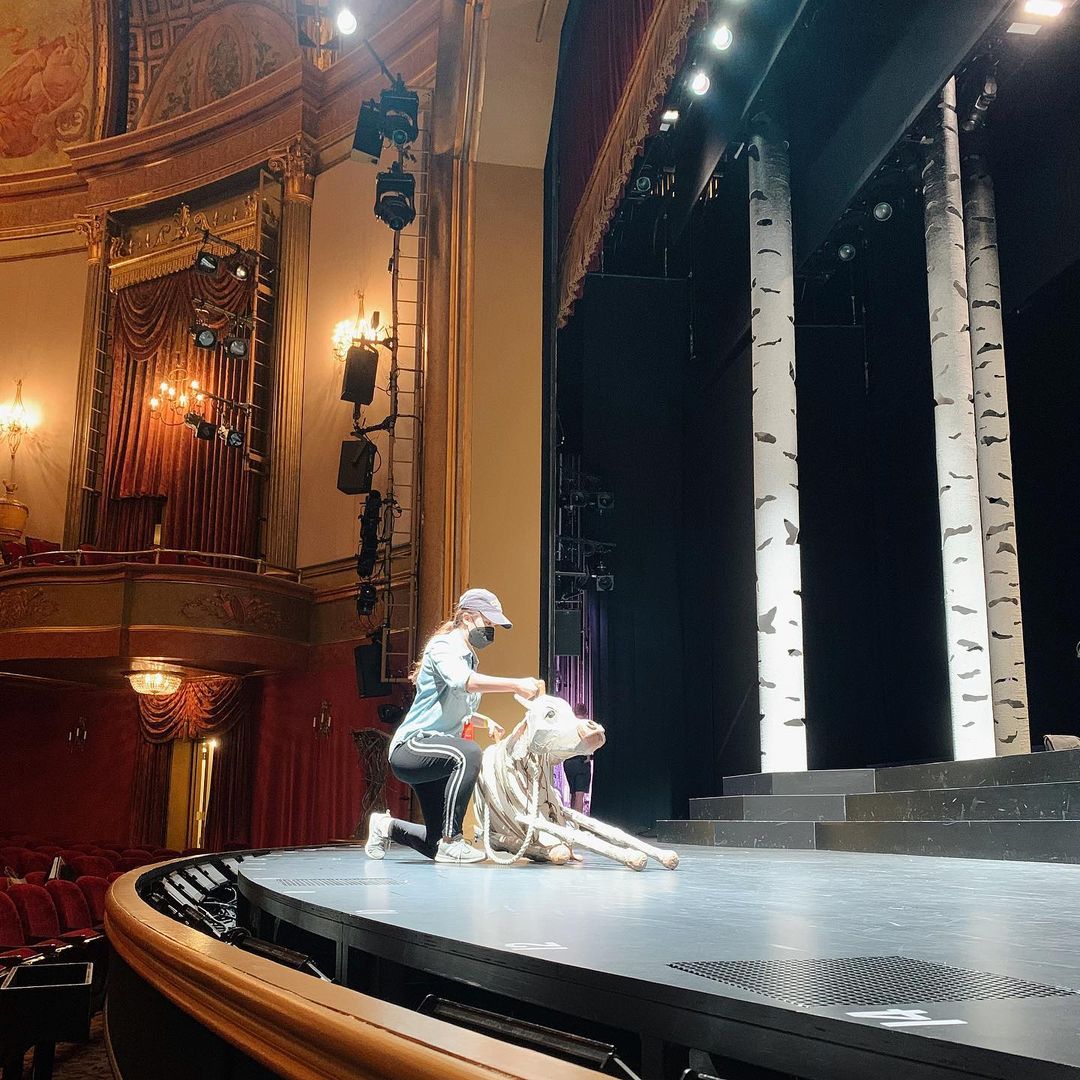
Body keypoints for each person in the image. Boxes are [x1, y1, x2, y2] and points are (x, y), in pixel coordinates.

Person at [364, 588, 542, 864]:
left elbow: (459, 705)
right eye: (488, 622)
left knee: (432, 844)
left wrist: (484, 720)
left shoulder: (469, 657)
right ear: (468, 618)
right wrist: (516, 684)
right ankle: (453, 840)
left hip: (439, 752)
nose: (491, 630)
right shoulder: (444, 646)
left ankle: (385, 827)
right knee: (469, 753)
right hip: (412, 746)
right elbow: (464, 682)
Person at [561, 702, 593, 813]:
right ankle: (577, 821)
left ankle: (571, 819)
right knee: (579, 794)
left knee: (573, 793)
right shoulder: (587, 725)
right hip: (581, 761)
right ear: (586, 713)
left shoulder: (568, 726)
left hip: (568, 762)